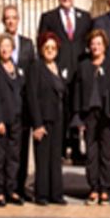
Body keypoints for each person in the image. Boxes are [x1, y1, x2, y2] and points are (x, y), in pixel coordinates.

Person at [39, 0, 90, 166]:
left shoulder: (84, 17)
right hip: (57, 70)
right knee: (59, 111)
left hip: (78, 72)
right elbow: (42, 43)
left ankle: (76, 149)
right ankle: (60, 149)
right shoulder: (49, 17)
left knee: (76, 110)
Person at [0, 5, 35, 196]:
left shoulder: (27, 44)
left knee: (20, 150)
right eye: (7, 18)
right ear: (3, 21)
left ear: (18, 20)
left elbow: (31, 73)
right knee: (1, 152)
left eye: (14, 18)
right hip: (3, 106)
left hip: (21, 106)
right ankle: (0, 189)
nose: (11, 21)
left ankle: (18, 186)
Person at [73, 29, 110, 205]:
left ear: (105, 46)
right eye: (93, 44)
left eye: (99, 44)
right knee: (91, 153)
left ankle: (106, 188)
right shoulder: (83, 65)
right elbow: (77, 92)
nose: (95, 47)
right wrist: (78, 117)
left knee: (107, 153)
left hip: (107, 114)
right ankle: (93, 187)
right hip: (89, 114)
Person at [27, 32, 70, 205]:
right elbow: (32, 96)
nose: (50, 51)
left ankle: (56, 193)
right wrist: (37, 124)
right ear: (41, 49)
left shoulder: (59, 67)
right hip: (43, 119)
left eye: (53, 48)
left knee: (55, 157)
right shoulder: (36, 67)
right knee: (43, 158)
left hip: (58, 118)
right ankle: (42, 194)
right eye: (47, 48)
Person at [0, 33, 27, 207]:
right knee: (0, 156)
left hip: (17, 118)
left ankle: (11, 189)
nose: (5, 49)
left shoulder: (17, 68)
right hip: (3, 119)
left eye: (8, 46)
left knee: (14, 155)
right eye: (2, 46)